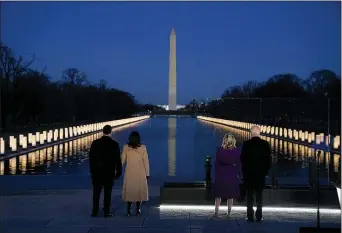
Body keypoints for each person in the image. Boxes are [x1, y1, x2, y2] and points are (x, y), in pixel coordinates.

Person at [89, 125, 122, 218]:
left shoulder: (95, 143)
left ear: (102, 131)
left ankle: (94, 211)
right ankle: (106, 212)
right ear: (111, 132)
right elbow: (117, 160)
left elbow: (91, 159)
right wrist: (119, 171)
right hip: (109, 172)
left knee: (96, 193)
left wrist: (92, 171)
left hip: (97, 172)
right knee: (108, 193)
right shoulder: (114, 144)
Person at [240, 125, 272, 222]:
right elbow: (268, 160)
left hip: (249, 174)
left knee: (249, 196)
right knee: (259, 196)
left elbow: (242, 159)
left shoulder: (246, 144)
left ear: (251, 133)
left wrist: (244, 170)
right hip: (260, 174)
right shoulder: (265, 144)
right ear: (259, 133)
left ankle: (250, 216)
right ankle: (259, 215)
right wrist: (266, 170)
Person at [210, 133, 242, 219]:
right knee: (230, 195)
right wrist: (240, 174)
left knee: (218, 195)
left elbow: (216, 163)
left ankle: (216, 213)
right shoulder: (237, 151)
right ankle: (229, 214)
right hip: (231, 173)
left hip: (221, 173)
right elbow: (239, 164)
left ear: (224, 140)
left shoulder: (219, 150)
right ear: (233, 141)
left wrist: (215, 175)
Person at [121, 131, 150, 216]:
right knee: (139, 191)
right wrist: (147, 174)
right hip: (140, 172)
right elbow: (146, 162)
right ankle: (138, 209)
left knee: (129, 190)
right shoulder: (143, 148)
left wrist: (116, 171)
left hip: (129, 172)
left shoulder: (125, 147)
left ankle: (128, 210)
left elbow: (121, 161)